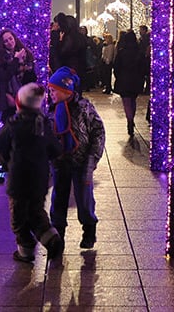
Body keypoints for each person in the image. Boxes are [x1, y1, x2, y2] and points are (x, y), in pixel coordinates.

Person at [0, 82, 65, 263]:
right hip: (39, 178)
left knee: (18, 216)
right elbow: (55, 149)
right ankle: (51, 238)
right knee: (36, 211)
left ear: (18, 103)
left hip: (18, 179)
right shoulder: (44, 125)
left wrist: (6, 164)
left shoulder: (13, 125)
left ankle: (25, 250)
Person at [48, 66, 105, 249]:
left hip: (82, 161)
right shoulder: (52, 109)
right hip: (60, 161)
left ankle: (89, 228)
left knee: (84, 197)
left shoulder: (84, 107)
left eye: (54, 90)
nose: (51, 94)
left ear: (66, 90)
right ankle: (58, 234)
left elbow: (98, 131)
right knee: (59, 198)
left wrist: (92, 158)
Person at [0, 28, 35, 182]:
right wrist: (15, 61)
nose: (9, 42)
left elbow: (31, 77)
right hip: (4, 100)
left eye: (10, 38)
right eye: (4, 40)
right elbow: (3, 76)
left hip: (22, 99)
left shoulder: (24, 53)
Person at [113, 30, 143, 143]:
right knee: (133, 100)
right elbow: (143, 67)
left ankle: (129, 120)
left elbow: (116, 67)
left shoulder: (122, 52)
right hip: (136, 80)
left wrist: (118, 77)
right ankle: (131, 118)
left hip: (124, 79)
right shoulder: (139, 52)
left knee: (126, 102)